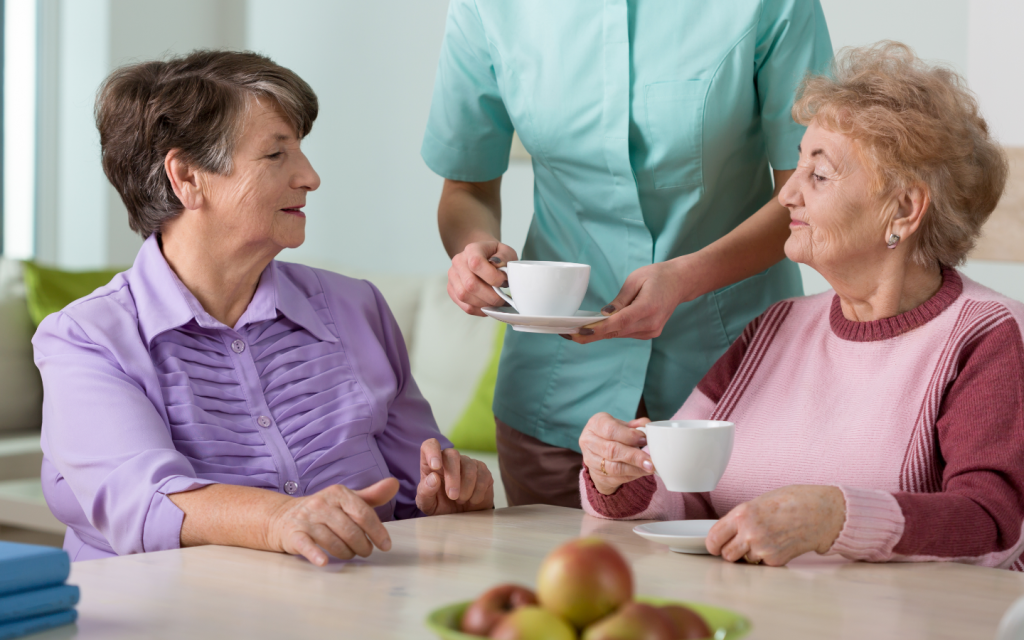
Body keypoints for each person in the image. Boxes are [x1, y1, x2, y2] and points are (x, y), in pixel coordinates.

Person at [33, 51, 493, 565]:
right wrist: (279, 518)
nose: (310, 177)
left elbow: (417, 489)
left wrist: (447, 495)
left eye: (300, 150)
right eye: (276, 155)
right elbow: (142, 501)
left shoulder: (355, 308)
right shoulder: (86, 338)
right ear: (186, 176)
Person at [578, 42, 1024, 569]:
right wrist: (618, 475)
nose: (788, 196)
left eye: (819, 175)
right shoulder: (777, 325)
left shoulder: (987, 335)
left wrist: (836, 516)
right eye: (797, 168)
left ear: (903, 209)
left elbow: (993, 524)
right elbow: (686, 495)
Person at [422, 1, 833, 507]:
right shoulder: (489, 9)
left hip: (734, 388)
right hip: (555, 399)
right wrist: (475, 254)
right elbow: (466, 187)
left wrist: (686, 278)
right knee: (556, 585)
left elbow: (810, 191)